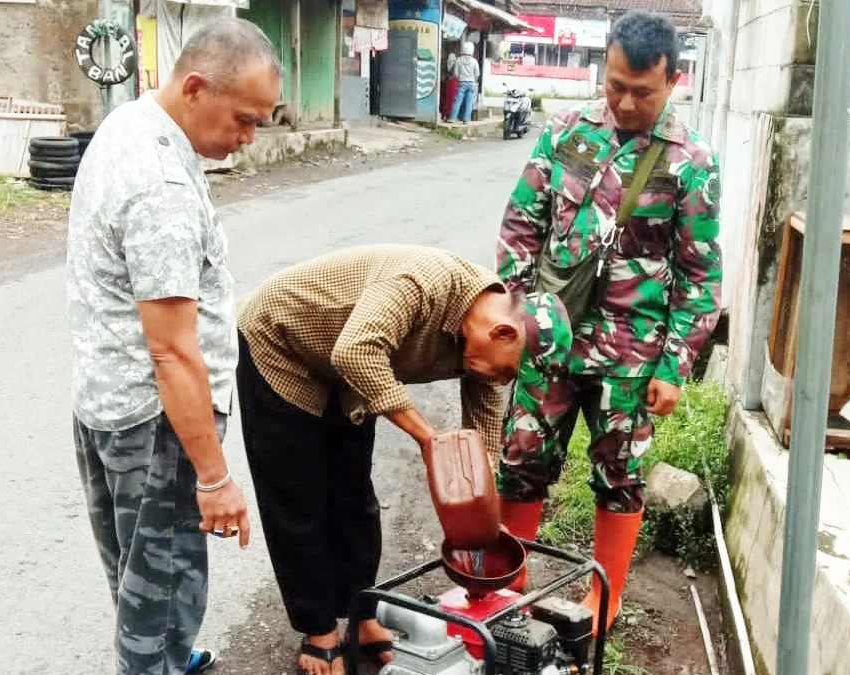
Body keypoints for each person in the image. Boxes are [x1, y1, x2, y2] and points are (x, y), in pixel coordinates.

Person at [235, 244, 572, 675]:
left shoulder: (485, 340)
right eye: (507, 371)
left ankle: (364, 614)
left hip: (348, 364)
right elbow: (356, 352)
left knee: (355, 496)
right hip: (284, 342)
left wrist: (483, 503)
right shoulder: (423, 283)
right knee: (298, 500)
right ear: (503, 334)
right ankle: (319, 630)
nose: (502, 380)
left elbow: (484, 419)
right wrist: (428, 438)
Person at [494, 11, 723, 635]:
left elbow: (700, 277)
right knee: (520, 460)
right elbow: (522, 225)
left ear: (674, 80)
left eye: (641, 91)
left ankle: (606, 599)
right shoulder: (566, 132)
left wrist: (675, 367)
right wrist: (515, 315)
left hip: (632, 353)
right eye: (615, 84)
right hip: (550, 340)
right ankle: (507, 592)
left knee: (619, 476)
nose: (623, 101)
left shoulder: (691, 162)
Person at [66, 18, 281, 675]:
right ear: (194, 87)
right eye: (244, 119)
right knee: (159, 595)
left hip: (107, 397)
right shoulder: (160, 188)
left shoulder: (131, 122)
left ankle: (167, 657)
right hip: (156, 421)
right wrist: (215, 477)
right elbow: (174, 353)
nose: (247, 139)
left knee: (139, 573)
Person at [449, 42, 480, 124]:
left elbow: (455, 73)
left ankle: (452, 118)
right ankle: (466, 119)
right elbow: (477, 74)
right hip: (471, 83)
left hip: (462, 83)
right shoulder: (474, 61)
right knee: (469, 102)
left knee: (458, 101)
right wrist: (473, 79)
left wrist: (460, 78)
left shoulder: (459, 60)